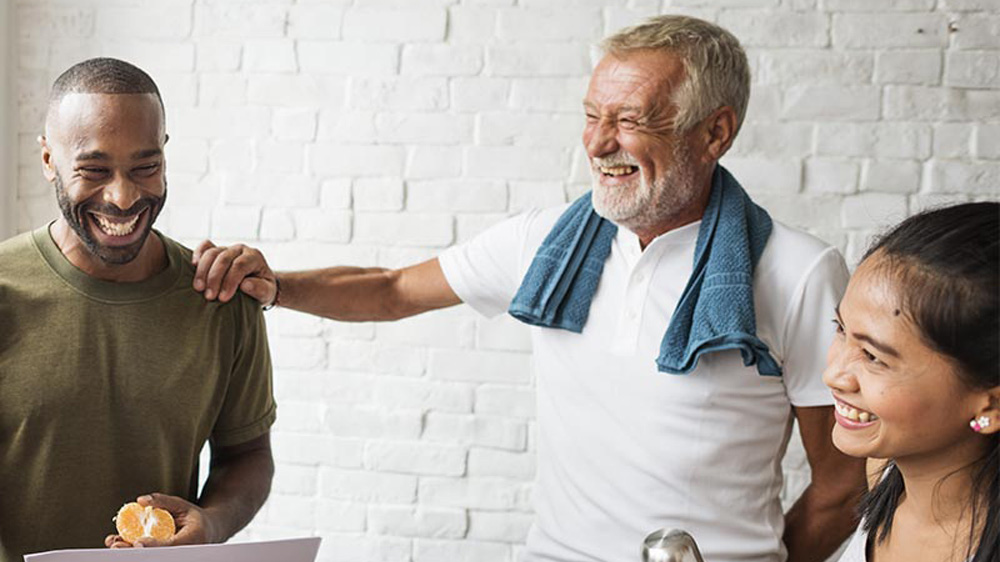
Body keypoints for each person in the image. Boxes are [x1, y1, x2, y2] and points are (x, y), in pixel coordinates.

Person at [193, 16, 865, 562]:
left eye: (630, 119)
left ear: (715, 132)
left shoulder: (796, 272)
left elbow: (840, 488)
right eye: (592, 115)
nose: (599, 144)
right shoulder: (548, 244)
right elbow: (393, 290)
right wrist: (274, 284)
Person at [0, 58, 276, 562]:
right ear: (48, 160)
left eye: (145, 167)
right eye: (94, 169)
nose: (123, 197)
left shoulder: (220, 298)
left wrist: (211, 523)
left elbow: (248, 457)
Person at [823, 202, 999, 562]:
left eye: (873, 357)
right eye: (841, 330)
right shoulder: (884, 471)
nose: (834, 375)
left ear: (991, 405)